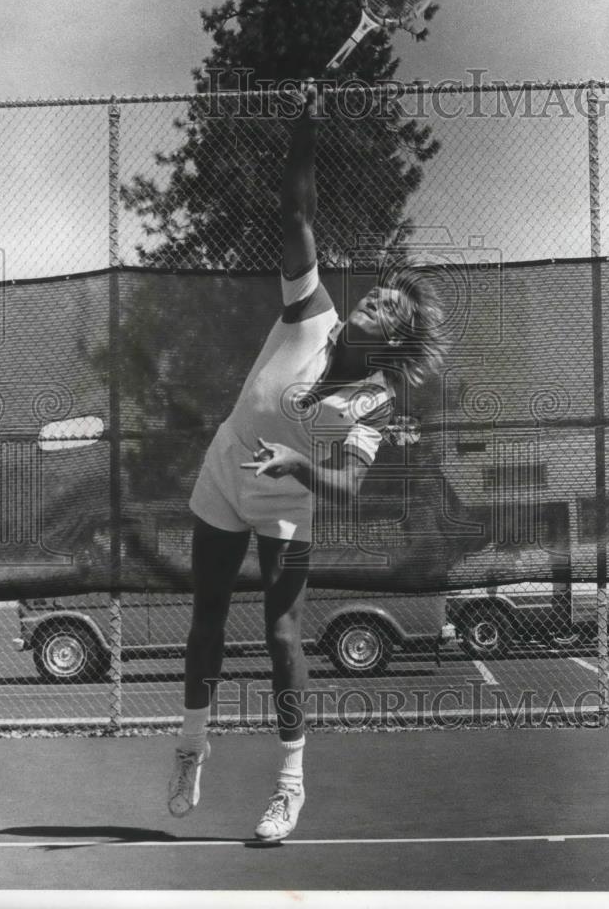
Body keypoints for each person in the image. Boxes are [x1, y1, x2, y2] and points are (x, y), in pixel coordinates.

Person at [168, 82, 445, 841]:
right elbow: (296, 213)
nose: (376, 299)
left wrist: (297, 467)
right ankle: (193, 745)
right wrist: (304, 121)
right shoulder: (309, 309)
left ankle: (289, 785)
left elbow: (349, 484)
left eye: (391, 305)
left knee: (283, 636)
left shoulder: (376, 400)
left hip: (289, 498)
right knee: (205, 624)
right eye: (381, 293)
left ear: (393, 338)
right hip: (225, 472)